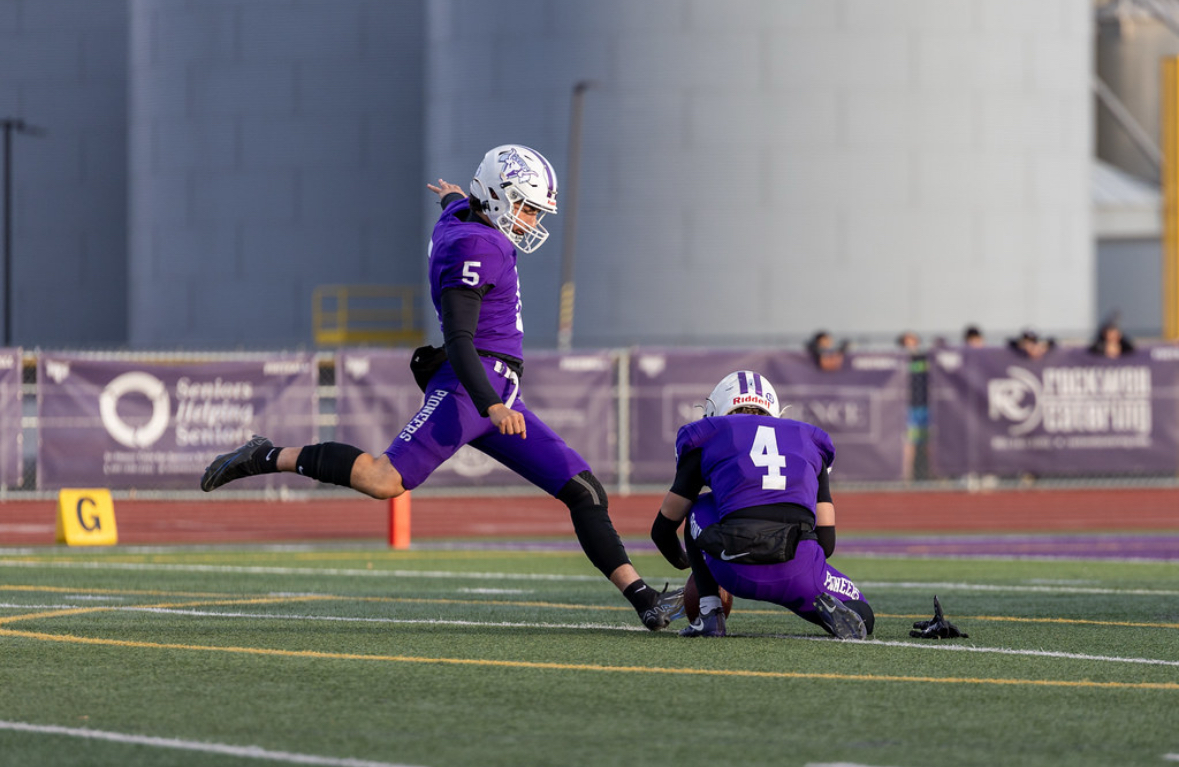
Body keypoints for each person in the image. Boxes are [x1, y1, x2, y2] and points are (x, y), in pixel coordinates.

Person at [200, 144, 684, 631]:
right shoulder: (477, 246)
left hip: (497, 387)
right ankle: (266, 454)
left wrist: (451, 195)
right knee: (382, 480)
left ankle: (643, 599)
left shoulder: (463, 219)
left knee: (584, 489)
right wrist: (491, 404)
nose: (530, 218)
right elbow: (458, 340)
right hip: (474, 387)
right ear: (495, 195)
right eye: (525, 205)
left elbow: (456, 204)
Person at [649, 370, 874, 640]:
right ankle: (832, 611)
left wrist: (692, 563)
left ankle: (710, 614)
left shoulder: (707, 436)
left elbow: (663, 529)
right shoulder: (809, 440)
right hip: (799, 567)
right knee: (863, 613)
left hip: (733, 566)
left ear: (717, 409)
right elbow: (827, 542)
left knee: (698, 504)